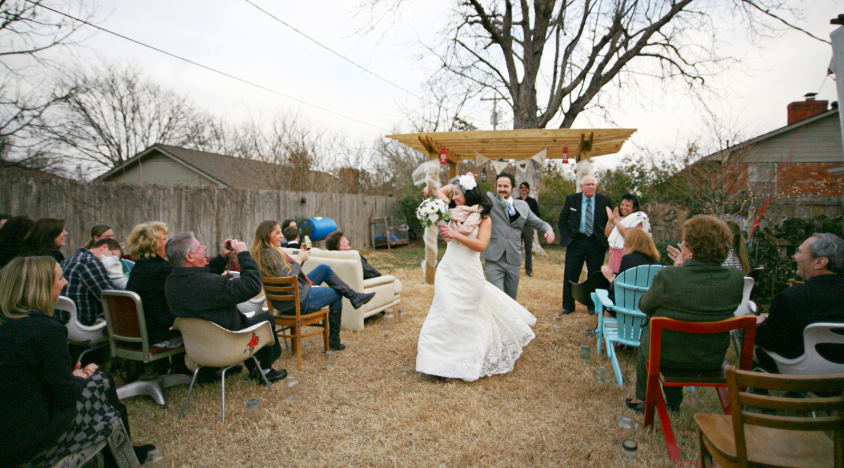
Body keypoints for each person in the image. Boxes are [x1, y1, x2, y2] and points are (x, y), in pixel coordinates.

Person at [0, 256, 155, 466]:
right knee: (101, 383)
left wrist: (68, 376)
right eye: (60, 277)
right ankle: (121, 458)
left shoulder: (9, 323)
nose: (65, 283)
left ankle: (120, 454)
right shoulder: (44, 329)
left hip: (11, 422)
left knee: (100, 383)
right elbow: (65, 395)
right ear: (41, 286)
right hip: (26, 438)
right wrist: (79, 377)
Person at [417, 173, 537, 381]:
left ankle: (461, 361)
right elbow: (437, 193)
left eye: (458, 194)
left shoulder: (484, 218)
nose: (453, 197)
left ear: (469, 194)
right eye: (453, 194)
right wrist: (458, 181)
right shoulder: (450, 211)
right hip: (448, 270)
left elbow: (481, 245)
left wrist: (456, 235)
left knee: (465, 317)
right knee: (444, 311)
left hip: (469, 272)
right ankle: (437, 363)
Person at [624, 215, 743, 412]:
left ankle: (643, 398)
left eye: (685, 242)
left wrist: (679, 268)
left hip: (667, 355)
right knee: (676, 332)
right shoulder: (734, 279)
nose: (681, 244)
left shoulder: (669, 276)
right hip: (711, 356)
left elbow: (645, 306)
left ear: (692, 248)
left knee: (652, 334)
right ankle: (672, 403)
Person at [164, 232, 287, 384]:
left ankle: (211, 370)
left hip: (199, 348)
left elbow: (202, 277)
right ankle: (265, 370)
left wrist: (222, 257)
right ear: (189, 257)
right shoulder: (209, 284)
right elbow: (252, 286)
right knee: (266, 319)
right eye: (199, 246)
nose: (204, 247)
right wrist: (244, 255)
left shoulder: (172, 283)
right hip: (228, 344)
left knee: (245, 320)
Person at [251, 220, 375, 351]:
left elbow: (290, 277)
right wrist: (299, 259)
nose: (282, 236)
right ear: (267, 235)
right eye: (277, 233)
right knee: (337, 294)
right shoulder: (271, 255)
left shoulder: (265, 252)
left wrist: (301, 258)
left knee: (324, 269)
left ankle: (354, 296)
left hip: (289, 297)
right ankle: (334, 340)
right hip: (296, 301)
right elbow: (288, 279)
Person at [755, 233, 844, 372]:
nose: (794, 256)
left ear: (820, 262)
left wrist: (759, 324)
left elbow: (769, 340)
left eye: (799, 252)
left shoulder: (791, 297)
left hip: (802, 373)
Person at [481, 172, 554, 299]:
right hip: (494, 259)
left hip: (513, 260)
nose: (502, 189)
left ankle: (509, 320)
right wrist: (469, 180)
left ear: (513, 188)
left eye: (505, 186)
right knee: (496, 298)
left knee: (511, 299)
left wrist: (549, 230)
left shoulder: (523, 206)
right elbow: (473, 193)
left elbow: (539, 223)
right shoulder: (490, 200)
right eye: (500, 186)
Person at [558, 175, 612, 315]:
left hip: (596, 243)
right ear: (581, 186)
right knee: (570, 273)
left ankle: (592, 306)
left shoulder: (605, 201)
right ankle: (568, 306)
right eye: (587, 184)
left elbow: (611, 222)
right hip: (576, 242)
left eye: (593, 184)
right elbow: (562, 220)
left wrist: (607, 241)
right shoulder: (572, 200)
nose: (591, 187)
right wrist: (568, 236)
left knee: (595, 276)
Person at [126, 222, 180, 346]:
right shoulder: (161, 270)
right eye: (165, 239)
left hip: (139, 331)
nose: (169, 243)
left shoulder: (139, 267)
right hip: (157, 334)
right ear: (154, 244)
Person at [60, 238, 119, 325]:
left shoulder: (66, 260)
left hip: (62, 320)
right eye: (113, 255)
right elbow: (110, 298)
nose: (115, 260)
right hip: (85, 324)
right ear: (104, 247)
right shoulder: (89, 262)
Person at [600, 228, 661, 304]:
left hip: (626, 303)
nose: (624, 244)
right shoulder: (656, 263)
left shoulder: (627, 259)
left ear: (633, 243)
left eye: (626, 241)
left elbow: (618, 287)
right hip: (646, 305)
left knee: (609, 300)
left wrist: (610, 278)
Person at [604, 193, 650, 273]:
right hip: (613, 256)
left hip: (627, 257)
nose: (624, 207)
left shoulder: (637, 220)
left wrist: (615, 221)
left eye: (627, 205)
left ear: (634, 208)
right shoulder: (620, 219)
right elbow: (607, 234)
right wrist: (610, 220)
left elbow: (628, 236)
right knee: (612, 281)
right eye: (622, 204)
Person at [517, 182, 541, 277]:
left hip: (528, 227)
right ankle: (514, 268)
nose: (523, 189)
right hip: (518, 227)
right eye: (521, 187)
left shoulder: (532, 201)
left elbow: (537, 214)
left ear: (528, 189)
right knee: (516, 249)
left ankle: (528, 270)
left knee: (528, 250)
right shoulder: (515, 200)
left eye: (525, 188)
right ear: (519, 189)